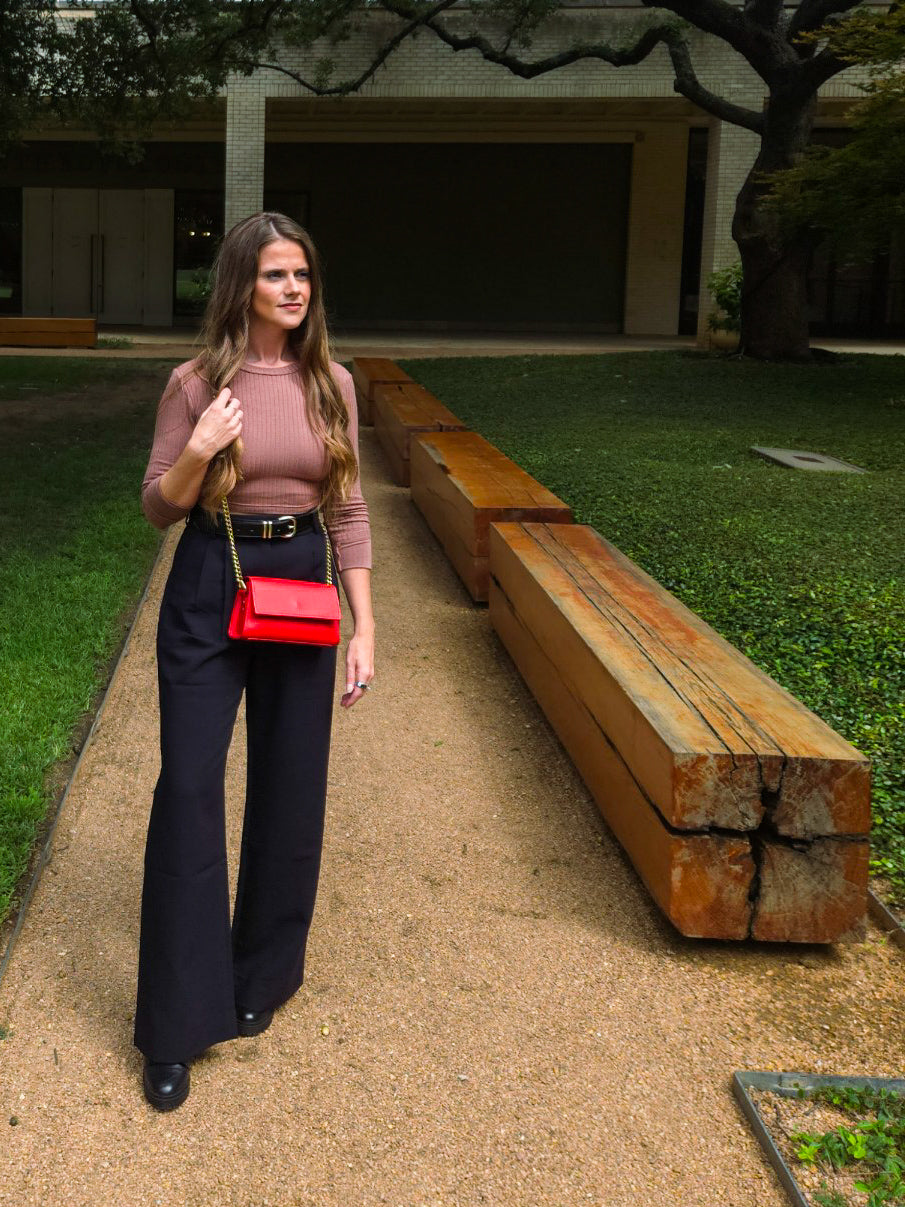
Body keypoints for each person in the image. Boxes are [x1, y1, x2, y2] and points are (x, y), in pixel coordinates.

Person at [134, 212, 374, 1111]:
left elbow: (348, 508)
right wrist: (198, 450)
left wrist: (366, 625)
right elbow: (159, 506)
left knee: (291, 780)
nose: (294, 288)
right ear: (242, 284)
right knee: (189, 787)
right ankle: (174, 1024)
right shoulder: (195, 382)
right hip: (212, 576)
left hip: (301, 579)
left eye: (302, 273)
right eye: (276, 274)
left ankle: (259, 975)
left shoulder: (331, 383)